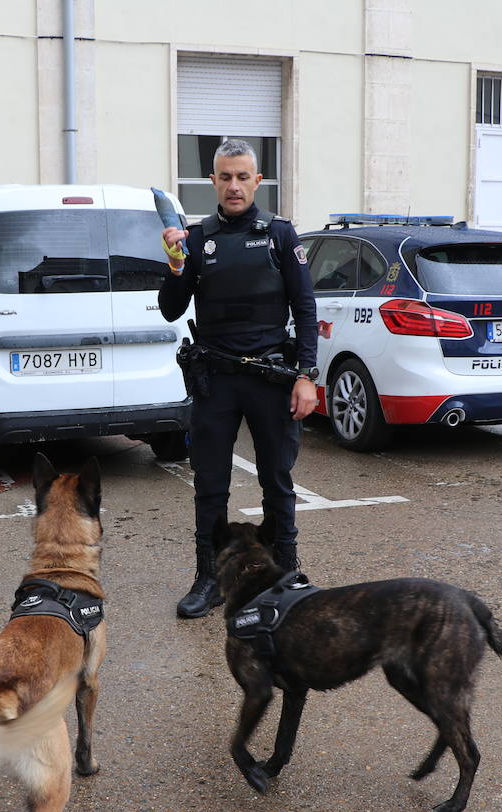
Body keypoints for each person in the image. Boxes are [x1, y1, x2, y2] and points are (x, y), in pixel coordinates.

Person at [158, 138, 319, 618]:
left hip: (271, 377)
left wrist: (306, 375)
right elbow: (170, 308)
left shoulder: (279, 235)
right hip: (217, 380)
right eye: (224, 177)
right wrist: (174, 261)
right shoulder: (196, 238)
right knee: (210, 484)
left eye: (242, 177)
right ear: (212, 181)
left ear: (257, 180)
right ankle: (209, 577)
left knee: (277, 481)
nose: (233, 186)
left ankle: (285, 574)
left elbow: (306, 309)